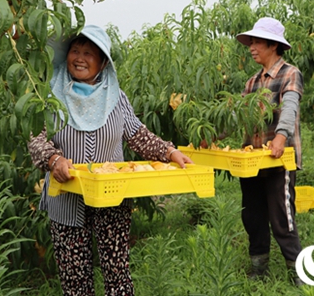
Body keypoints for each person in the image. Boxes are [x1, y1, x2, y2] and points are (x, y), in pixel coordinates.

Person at [27, 25, 192, 296]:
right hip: (67, 199)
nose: (79, 58)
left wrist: (169, 152)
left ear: (103, 62)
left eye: (89, 53)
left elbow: (138, 134)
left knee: (117, 271)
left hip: (113, 196)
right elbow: (36, 138)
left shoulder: (115, 97)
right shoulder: (51, 95)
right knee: (74, 276)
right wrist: (54, 159)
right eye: (75, 51)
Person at [235, 17, 304, 286]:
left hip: (279, 159)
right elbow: (237, 116)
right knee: (252, 215)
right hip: (252, 161)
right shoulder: (252, 82)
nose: (251, 47)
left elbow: (290, 105)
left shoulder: (289, 73)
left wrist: (280, 136)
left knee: (281, 218)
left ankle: (298, 273)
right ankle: (258, 267)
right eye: (250, 42)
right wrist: (209, 136)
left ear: (273, 45)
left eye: (256, 42)